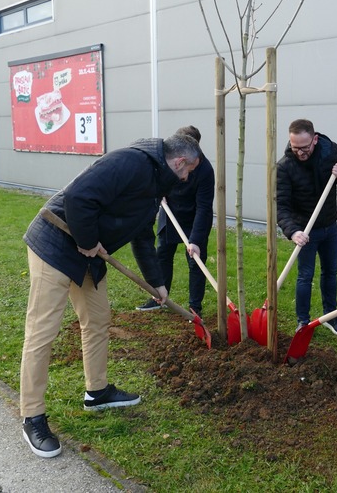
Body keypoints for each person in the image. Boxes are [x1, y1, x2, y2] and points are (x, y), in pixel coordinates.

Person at [20, 134, 202, 458]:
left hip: (87, 254)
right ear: (179, 163)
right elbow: (78, 196)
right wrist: (88, 240)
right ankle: (32, 416)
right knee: (42, 333)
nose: (187, 179)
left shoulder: (155, 184)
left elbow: (143, 236)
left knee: (98, 320)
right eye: (188, 172)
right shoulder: (131, 162)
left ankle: (98, 392)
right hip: (55, 243)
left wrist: (157, 284)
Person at [277, 119, 337, 336]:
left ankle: (331, 316)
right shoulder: (285, 167)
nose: (300, 152)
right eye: (295, 148)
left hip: (329, 225)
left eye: (305, 147)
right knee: (305, 276)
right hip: (305, 230)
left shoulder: (331, 152)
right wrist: (293, 232)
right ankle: (303, 322)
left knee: (330, 272)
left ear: (315, 139)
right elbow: (281, 206)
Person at [135, 126, 215, 318]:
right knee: (163, 253)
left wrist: (195, 240)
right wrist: (160, 194)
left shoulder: (204, 169)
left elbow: (204, 207)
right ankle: (159, 298)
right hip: (170, 212)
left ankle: (195, 307)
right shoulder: (168, 159)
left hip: (195, 217)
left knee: (196, 261)